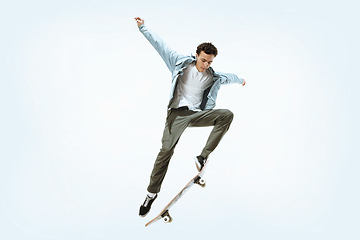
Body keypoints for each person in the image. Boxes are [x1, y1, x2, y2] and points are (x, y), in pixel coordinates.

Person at [135, 17, 246, 217]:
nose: (205, 65)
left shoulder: (214, 76)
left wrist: (241, 80)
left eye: (210, 62)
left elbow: (229, 77)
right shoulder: (179, 62)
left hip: (197, 115)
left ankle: (202, 156)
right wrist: (143, 28)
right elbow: (160, 46)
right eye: (203, 60)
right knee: (166, 151)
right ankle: (151, 194)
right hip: (177, 115)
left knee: (226, 115)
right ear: (196, 55)